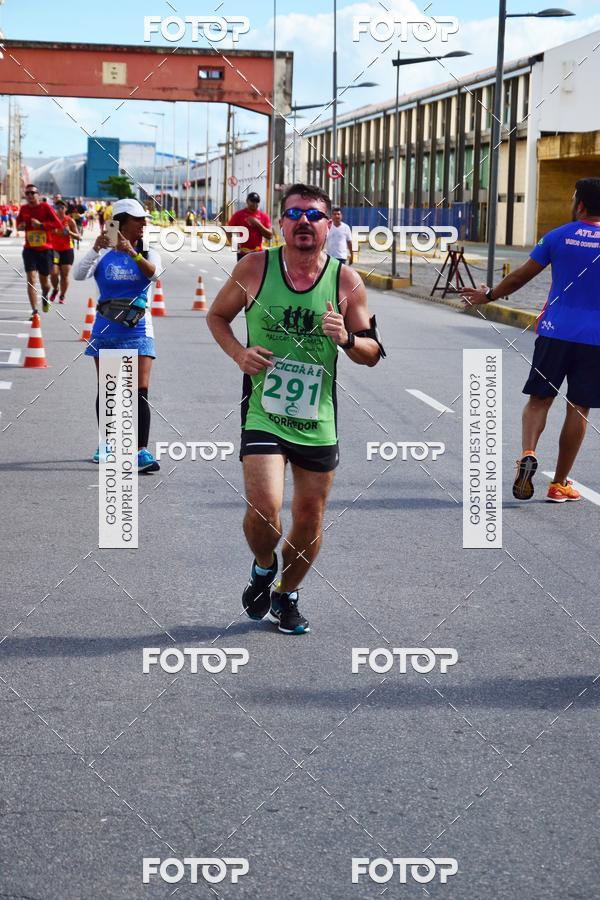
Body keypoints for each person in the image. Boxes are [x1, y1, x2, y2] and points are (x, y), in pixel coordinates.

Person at [207, 183, 384, 634]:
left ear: (329, 224)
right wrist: (237, 354)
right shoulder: (254, 268)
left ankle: (286, 594)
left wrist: (345, 338)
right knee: (266, 510)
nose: (304, 221)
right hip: (264, 410)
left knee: (309, 520)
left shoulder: (346, 280)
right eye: (294, 214)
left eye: (314, 215)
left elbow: (372, 351)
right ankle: (264, 566)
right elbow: (217, 316)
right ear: (280, 223)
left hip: (317, 418)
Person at [462, 177, 600, 505]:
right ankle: (560, 483)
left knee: (539, 400)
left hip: (553, 331)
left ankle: (528, 452)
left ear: (580, 204)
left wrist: (489, 295)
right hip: (595, 338)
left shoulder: (556, 237)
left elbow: (520, 276)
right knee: (578, 409)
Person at [73, 198, 162, 473]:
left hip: (138, 329)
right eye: (138, 220)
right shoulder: (102, 253)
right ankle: (107, 444)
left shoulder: (147, 250)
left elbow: (155, 275)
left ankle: (139, 451)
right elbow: (78, 275)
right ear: (121, 222)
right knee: (110, 389)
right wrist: (95, 247)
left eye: (145, 220)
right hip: (107, 329)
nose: (144, 224)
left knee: (139, 390)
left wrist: (133, 253)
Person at [16, 184, 62, 317]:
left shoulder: (45, 207)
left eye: (32, 193)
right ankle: (35, 311)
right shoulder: (23, 208)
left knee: (45, 283)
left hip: (45, 250)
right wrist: (21, 226)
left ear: (38, 194)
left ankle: (45, 295)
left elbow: (58, 224)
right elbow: (18, 225)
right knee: (31, 279)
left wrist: (42, 225)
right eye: (27, 193)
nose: (30, 195)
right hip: (29, 249)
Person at [227, 192, 273, 262]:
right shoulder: (238, 215)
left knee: (258, 273)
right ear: (247, 201)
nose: (255, 203)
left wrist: (258, 224)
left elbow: (270, 236)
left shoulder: (264, 216)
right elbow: (228, 230)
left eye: (257, 201)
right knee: (242, 273)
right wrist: (233, 243)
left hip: (258, 253)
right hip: (243, 253)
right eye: (252, 201)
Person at [49, 199, 80, 304]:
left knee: (64, 274)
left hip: (67, 250)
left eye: (62, 207)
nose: (60, 209)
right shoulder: (51, 220)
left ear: (66, 209)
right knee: (54, 273)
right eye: (57, 207)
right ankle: (55, 289)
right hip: (54, 250)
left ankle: (62, 296)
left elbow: (78, 237)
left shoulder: (70, 221)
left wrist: (69, 232)